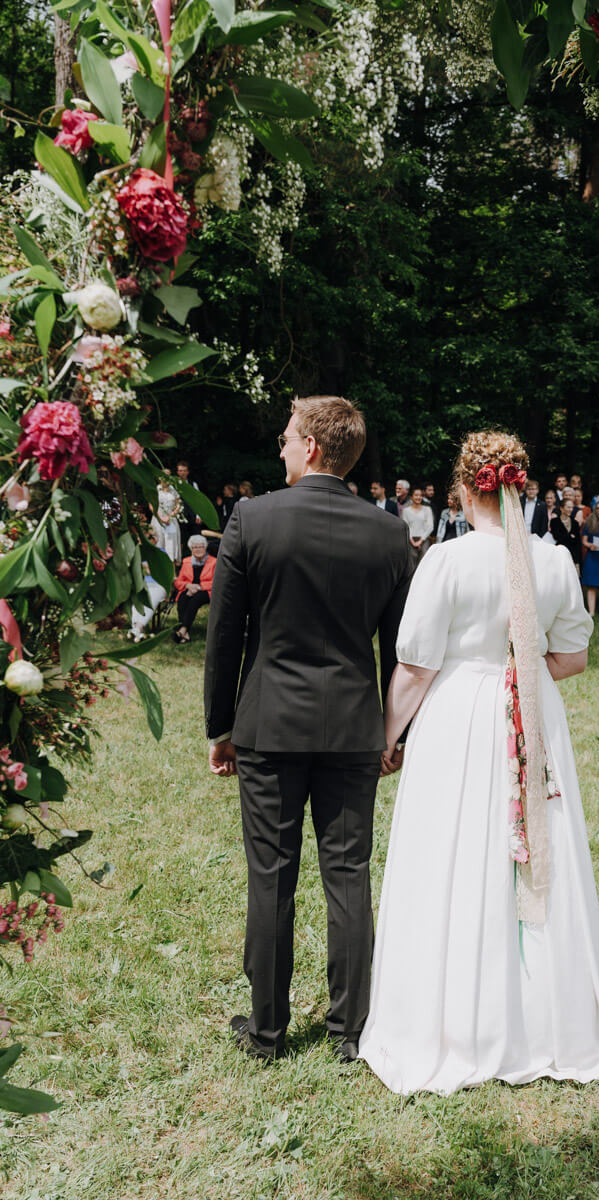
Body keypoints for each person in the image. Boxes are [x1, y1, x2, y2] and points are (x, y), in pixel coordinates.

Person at [358, 429, 599, 1094]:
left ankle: (457, 1016)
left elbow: (414, 665)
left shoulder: (445, 560)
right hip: (531, 710)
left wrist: (385, 737)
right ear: (522, 487)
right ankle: (543, 1015)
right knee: (529, 854)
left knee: (455, 848)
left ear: (465, 491)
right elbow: (572, 655)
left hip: (459, 715)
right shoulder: (552, 563)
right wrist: (520, 675)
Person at [205, 395, 413, 1064]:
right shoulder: (389, 533)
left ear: (315, 448)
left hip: (267, 725)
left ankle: (266, 1033)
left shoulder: (253, 518)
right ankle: (350, 1031)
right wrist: (395, 732)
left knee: (271, 877)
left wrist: (220, 726)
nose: (281, 446)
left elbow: (225, 636)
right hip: (355, 728)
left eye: (289, 437)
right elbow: (399, 647)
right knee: (348, 874)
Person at [173, 534, 216, 643]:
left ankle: (182, 629)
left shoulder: (214, 562)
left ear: (205, 547)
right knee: (182, 599)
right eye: (195, 547)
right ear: (191, 549)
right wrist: (188, 586)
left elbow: (216, 582)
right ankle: (185, 634)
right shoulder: (186, 561)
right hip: (189, 589)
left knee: (195, 600)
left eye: (200, 547)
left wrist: (199, 587)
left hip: (207, 591)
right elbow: (178, 582)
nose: (198, 549)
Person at [151, 473, 182, 565]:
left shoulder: (173, 490)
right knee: (158, 542)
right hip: (158, 519)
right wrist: (160, 517)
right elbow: (151, 505)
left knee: (171, 545)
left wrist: (172, 514)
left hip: (170, 520)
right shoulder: (155, 489)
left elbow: (178, 504)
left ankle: (172, 570)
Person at [402, 487, 435, 568]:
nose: (418, 497)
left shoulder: (427, 509)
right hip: (410, 540)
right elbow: (405, 527)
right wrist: (413, 542)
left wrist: (420, 541)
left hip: (424, 539)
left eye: (420, 495)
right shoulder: (406, 511)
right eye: (416, 495)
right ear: (411, 497)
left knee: (424, 564)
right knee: (411, 565)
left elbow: (430, 526)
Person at [176, 460, 202, 551]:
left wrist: (199, 515)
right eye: (180, 470)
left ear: (188, 472)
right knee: (181, 540)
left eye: (184, 470)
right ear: (177, 472)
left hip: (192, 515)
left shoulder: (193, 484)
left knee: (196, 538)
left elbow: (198, 501)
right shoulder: (174, 484)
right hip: (179, 516)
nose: (182, 473)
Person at [550, 495, 582, 567]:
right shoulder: (554, 522)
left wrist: (577, 561)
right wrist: (570, 537)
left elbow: (577, 543)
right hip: (559, 555)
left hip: (572, 557)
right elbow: (557, 537)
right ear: (561, 508)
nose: (571, 509)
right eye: (568, 507)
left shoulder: (575, 523)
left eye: (572, 507)